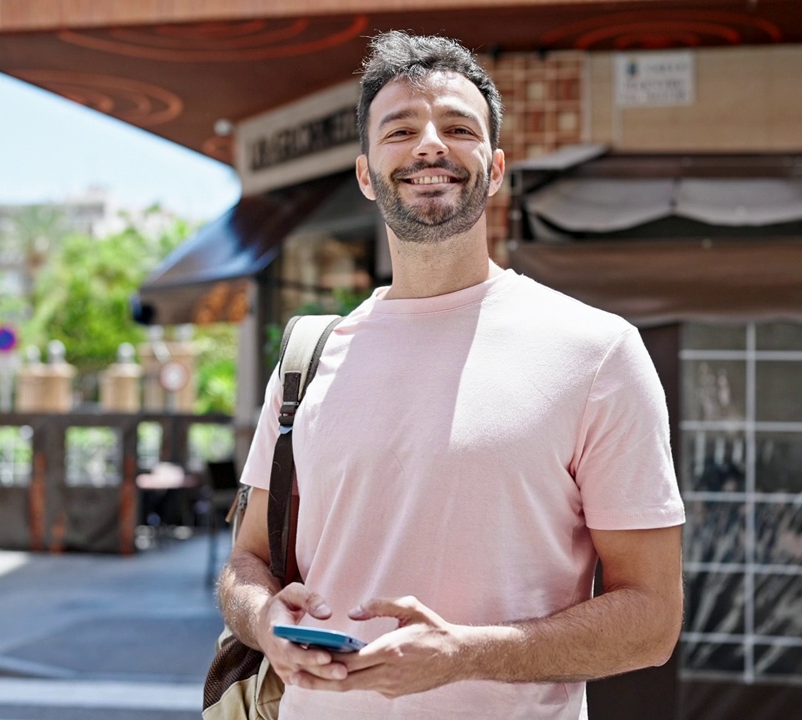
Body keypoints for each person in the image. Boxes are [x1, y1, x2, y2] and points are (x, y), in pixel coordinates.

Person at [217, 31, 685, 720]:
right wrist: (265, 623)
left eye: (457, 128)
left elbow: (652, 620)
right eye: (400, 129)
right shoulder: (309, 359)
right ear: (366, 175)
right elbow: (244, 563)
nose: (429, 145)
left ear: (495, 169)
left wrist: (466, 653)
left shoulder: (598, 353)